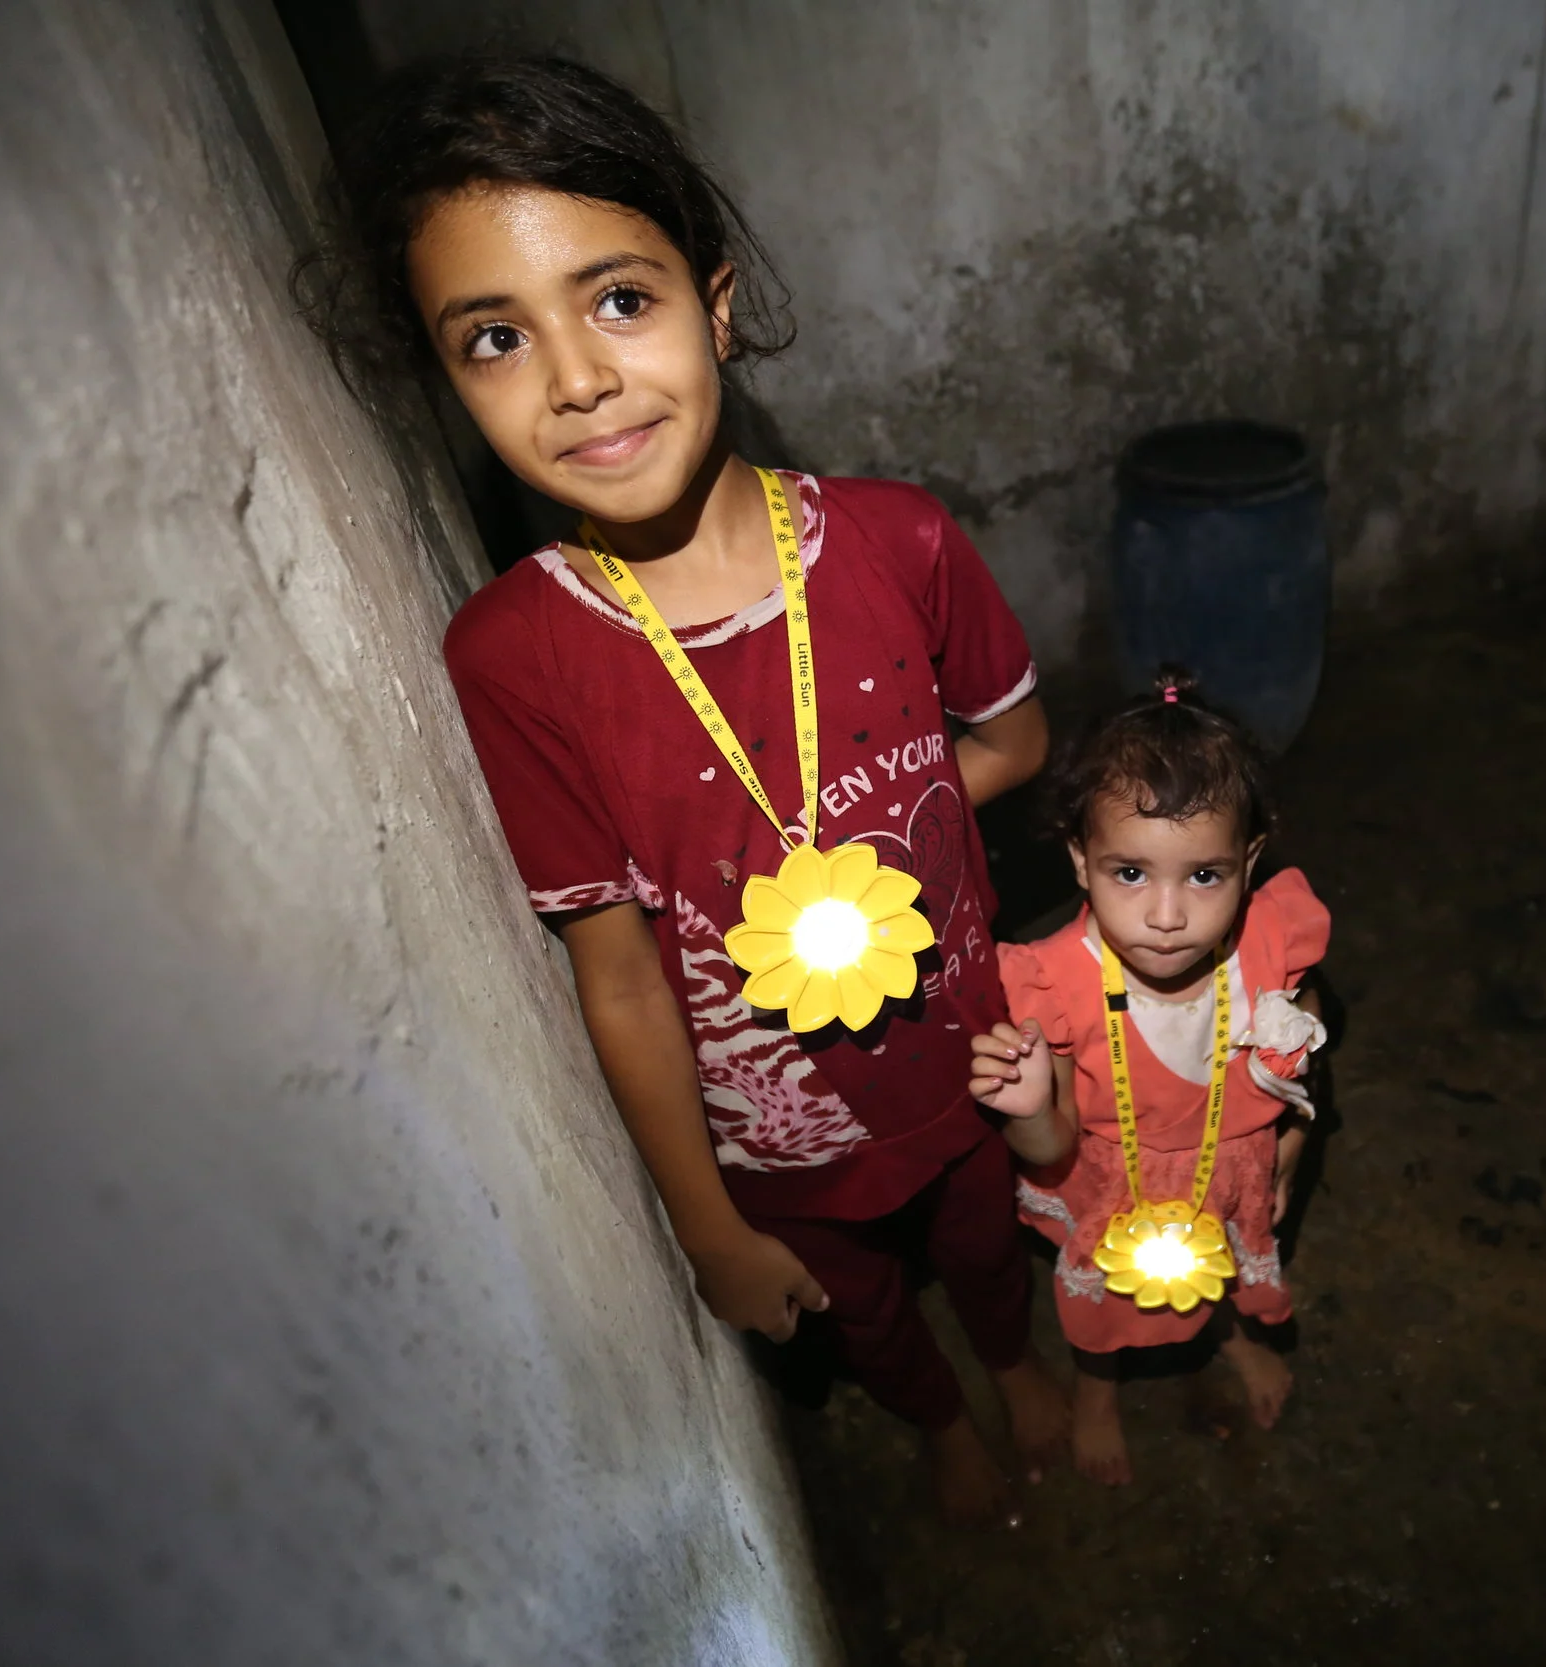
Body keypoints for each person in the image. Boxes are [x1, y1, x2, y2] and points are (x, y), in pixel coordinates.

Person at [312, 55, 1069, 1524]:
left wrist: (894, 830)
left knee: (986, 1238)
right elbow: (625, 979)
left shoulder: (900, 541)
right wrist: (706, 1218)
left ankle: (1016, 1361)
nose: (578, 377)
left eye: (617, 298)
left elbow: (1019, 740)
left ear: (713, 301)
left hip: (970, 1056)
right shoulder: (512, 655)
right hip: (773, 1132)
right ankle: (934, 1419)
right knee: (859, 1300)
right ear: (445, 381)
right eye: (491, 338)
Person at [970, 673, 1329, 1485]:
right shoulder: (1053, 987)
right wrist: (1025, 1107)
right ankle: (1096, 1391)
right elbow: (1052, 1145)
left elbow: (1307, 1061)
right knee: (1107, 1309)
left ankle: (1230, 1334)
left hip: (1231, 1167)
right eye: (1130, 873)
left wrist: (1294, 1148)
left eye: (1204, 876)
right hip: (1116, 1181)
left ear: (1249, 861)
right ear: (1078, 858)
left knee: (1225, 1261)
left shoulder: (1276, 941)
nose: (1166, 915)